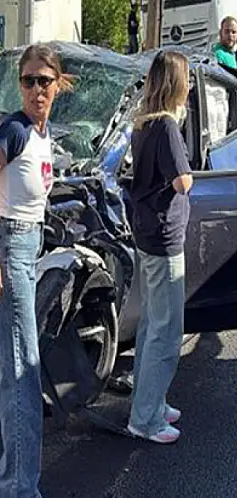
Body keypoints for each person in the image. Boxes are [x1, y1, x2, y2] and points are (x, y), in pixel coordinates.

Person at [0, 44, 73, 497]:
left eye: (44, 81)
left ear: (57, 85)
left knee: (8, 362)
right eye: (28, 81)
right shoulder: (15, 130)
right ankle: (16, 487)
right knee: (24, 369)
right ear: (20, 85)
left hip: (29, 245)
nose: (36, 89)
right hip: (9, 252)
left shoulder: (43, 132)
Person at [126, 50, 193, 444]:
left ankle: (150, 401)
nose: (190, 86)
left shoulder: (143, 123)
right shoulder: (167, 126)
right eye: (187, 79)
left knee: (152, 325)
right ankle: (146, 419)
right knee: (166, 333)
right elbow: (182, 181)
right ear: (176, 84)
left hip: (148, 233)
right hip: (165, 239)